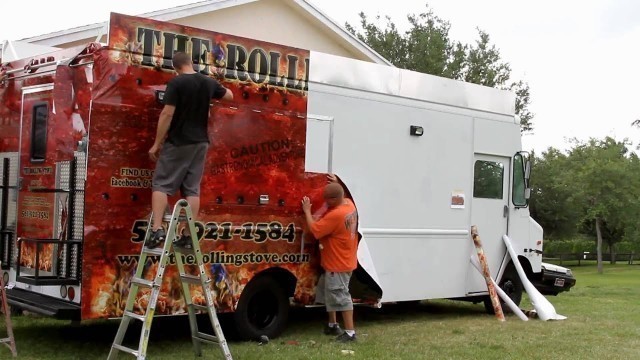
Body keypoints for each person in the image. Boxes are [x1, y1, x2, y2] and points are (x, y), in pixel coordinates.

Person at [146, 52, 233, 248]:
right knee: (192, 189)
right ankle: (187, 234)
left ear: (176, 67)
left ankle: (157, 229)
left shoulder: (176, 84)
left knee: (161, 184)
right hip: (201, 142)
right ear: (191, 62)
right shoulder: (207, 82)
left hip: (179, 141)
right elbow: (229, 95)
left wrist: (156, 143)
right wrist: (211, 88)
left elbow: (168, 113)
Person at [301, 174, 359, 342]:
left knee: (341, 296)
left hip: (338, 265)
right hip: (342, 261)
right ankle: (332, 325)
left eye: (327, 200)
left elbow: (315, 230)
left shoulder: (337, 215)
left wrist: (307, 211)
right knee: (330, 293)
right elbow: (344, 194)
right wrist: (337, 183)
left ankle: (350, 333)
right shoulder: (349, 205)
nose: (325, 203)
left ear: (333, 200)